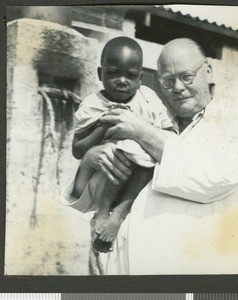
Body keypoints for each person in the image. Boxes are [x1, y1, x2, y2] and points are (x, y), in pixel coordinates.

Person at [66, 38, 238, 274]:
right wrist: (91, 157)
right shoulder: (159, 123)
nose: (178, 87)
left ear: (209, 72)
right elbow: (83, 196)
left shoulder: (235, 118)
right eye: (168, 80)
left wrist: (141, 132)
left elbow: (211, 176)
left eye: (187, 77)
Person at [64, 36, 175, 254]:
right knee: (124, 149)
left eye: (131, 76)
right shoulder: (93, 104)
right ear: (100, 74)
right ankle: (103, 213)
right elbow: (78, 149)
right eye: (113, 73)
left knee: (146, 157)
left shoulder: (148, 99)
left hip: (141, 175)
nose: (122, 80)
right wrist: (103, 127)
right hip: (106, 175)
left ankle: (119, 213)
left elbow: (169, 132)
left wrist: (145, 132)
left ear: (141, 78)